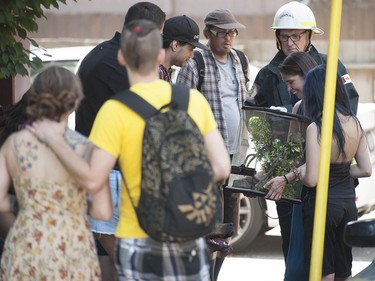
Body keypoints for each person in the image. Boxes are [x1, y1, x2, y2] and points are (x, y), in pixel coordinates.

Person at [27, 19, 231, 281]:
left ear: (122, 57)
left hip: (137, 240)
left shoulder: (114, 110)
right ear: (160, 55)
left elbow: (94, 186)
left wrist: (55, 140)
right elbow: (222, 168)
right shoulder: (192, 100)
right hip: (187, 240)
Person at [249, 0, 360, 262]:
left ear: (309, 36)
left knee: (335, 253)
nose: (289, 42)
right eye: (284, 36)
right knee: (296, 249)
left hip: (331, 175)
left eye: (296, 36)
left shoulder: (331, 66)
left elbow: (348, 112)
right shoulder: (267, 75)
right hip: (289, 177)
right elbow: (253, 119)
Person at [75, 3, 166, 280]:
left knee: (109, 263)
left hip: (103, 168)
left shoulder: (104, 52)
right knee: (128, 265)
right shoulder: (116, 62)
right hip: (112, 173)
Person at [0, 66, 112, 280]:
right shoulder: (86, 148)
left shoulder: (15, 143)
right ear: (75, 101)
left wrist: (26, 204)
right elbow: (102, 211)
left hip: (25, 248)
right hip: (72, 251)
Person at [270, 64, 372, 280]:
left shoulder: (316, 127)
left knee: (323, 270)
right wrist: (339, 171)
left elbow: (312, 180)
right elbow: (365, 169)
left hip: (322, 206)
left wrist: (298, 173)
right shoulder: (354, 122)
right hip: (347, 205)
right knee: (343, 270)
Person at [176, 8, 249, 280]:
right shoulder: (196, 62)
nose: (228, 38)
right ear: (208, 34)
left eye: (232, 32)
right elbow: (179, 111)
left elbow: (244, 102)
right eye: (222, 32)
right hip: (206, 157)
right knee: (209, 223)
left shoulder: (239, 60)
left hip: (236, 155)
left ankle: (214, 274)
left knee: (228, 227)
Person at [159, 15, 208, 82]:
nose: (192, 55)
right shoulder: (157, 74)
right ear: (175, 45)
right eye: (190, 49)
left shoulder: (165, 72)